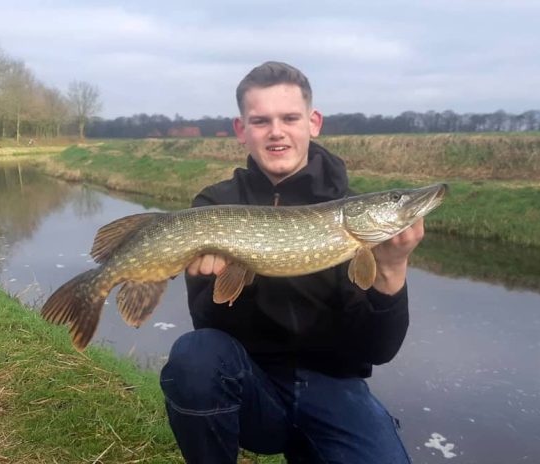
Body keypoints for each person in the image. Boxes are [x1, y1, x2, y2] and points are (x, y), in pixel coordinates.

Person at [160, 61, 424, 464]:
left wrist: (392, 271)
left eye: (289, 118)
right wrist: (233, 279)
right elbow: (209, 331)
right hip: (254, 385)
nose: (277, 132)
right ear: (241, 129)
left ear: (313, 122)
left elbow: (378, 349)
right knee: (194, 357)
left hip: (335, 388)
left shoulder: (349, 217)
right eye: (261, 121)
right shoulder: (215, 205)